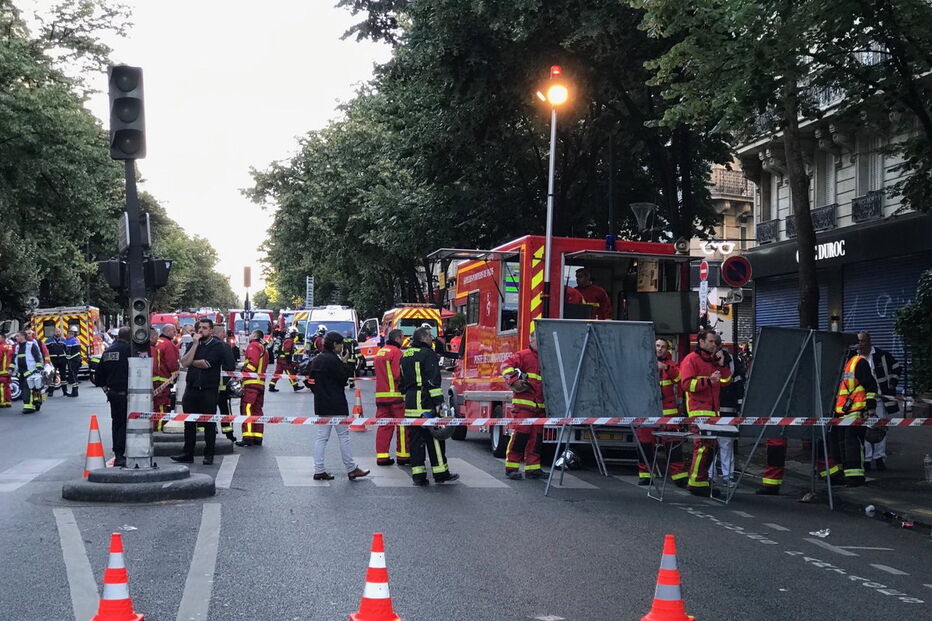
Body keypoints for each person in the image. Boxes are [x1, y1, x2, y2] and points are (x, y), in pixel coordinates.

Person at [308, 331, 369, 481]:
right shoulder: (334, 360)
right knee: (344, 437)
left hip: (322, 404)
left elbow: (310, 382)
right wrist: (345, 363)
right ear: (335, 344)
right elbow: (343, 379)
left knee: (321, 438)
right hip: (336, 404)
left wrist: (320, 393)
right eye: (341, 344)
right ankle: (351, 468)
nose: (342, 347)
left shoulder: (317, 360)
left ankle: (319, 469)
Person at [402, 326, 459, 486]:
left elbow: (402, 382)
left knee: (415, 441)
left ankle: (418, 476)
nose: (431, 340)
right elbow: (433, 381)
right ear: (423, 338)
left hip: (411, 403)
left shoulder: (405, 354)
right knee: (434, 438)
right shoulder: (428, 354)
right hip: (425, 403)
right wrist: (439, 402)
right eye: (429, 337)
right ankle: (441, 473)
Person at [680, 329, 731, 495]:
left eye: (715, 342)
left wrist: (722, 365)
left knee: (711, 447)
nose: (713, 344)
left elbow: (725, 381)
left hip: (713, 412)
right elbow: (687, 385)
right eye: (710, 341)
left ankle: (701, 480)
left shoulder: (714, 362)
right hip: (698, 411)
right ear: (701, 342)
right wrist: (709, 381)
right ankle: (696, 482)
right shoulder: (691, 359)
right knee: (702, 447)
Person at [171, 318, 226, 465]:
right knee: (189, 423)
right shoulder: (192, 344)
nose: (201, 330)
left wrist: (192, 362)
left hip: (208, 389)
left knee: (209, 423)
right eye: (199, 328)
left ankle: (209, 454)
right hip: (192, 388)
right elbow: (184, 362)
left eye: (205, 328)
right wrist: (195, 344)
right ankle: (188, 453)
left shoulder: (217, 345)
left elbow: (206, 364)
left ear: (211, 330)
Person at [636, 339, 687, 486]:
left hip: (668, 412)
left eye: (663, 347)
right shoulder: (644, 363)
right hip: (647, 410)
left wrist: (664, 367)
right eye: (658, 346)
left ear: (667, 350)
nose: (660, 349)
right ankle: (645, 474)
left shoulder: (671, 365)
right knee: (645, 443)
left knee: (673, 443)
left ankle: (678, 476)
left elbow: (679, 378)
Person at [500, 330, 545, 480]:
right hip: (524, 406)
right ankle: (511, 468)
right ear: (531, 340)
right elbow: (505, 366)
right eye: (536, 340)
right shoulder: (523, 355)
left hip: (540, 407)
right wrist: (514, 381)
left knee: (536, 439)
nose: (539, 343)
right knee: (520, 437)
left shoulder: (546, 357)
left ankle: (533, 468)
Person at [855, 332, 901, 471]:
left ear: (869, 341)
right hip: (862, 399)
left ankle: (879, 457)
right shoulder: (855, 358)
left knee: (880, 428)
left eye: (863, 341)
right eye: (859, 342)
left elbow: (897, 368)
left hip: (880, 399)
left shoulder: (881, 355)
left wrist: (891, 384)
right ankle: (867, 459)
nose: (860, 344)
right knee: (866, 430)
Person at [93, 327, 132, 467]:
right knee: (131, 424)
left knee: (117, 425)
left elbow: (98, 377)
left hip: (114, 394)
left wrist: (107, 391)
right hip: (129, 394)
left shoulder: (108, 351)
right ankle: (131, 452)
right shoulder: (129, 351)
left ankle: (119, 455)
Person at [710, 335, 744, 486]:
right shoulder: (703, 360)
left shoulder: (732, 361)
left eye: (714, 344)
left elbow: (736, 383)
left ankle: (727, 475)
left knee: (726, 443)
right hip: (709, 409)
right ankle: (709, 474)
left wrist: (739, 406)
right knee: (709, 443)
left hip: (727, 408)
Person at [374, 329, 409, 466]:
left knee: (384, 426)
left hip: (381, 397)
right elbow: (397, 375)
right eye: (402, 337)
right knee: (402, 426)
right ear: (398, 338)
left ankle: (382, 457)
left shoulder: (381, 351)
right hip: (395, 396)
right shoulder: (397, 352)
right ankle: (403, 456)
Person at [238, 330, 269, 447]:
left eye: (251, 334)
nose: (249, 336)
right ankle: (257, 437)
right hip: (260, 383)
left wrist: (243, 372)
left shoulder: (253, 346)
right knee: (257, 410)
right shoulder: (263, 348)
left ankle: (248, 437)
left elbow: (252, 364)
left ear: (255, 335)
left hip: (251, 383)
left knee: (247, 409)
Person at [151, 324, 179, 432]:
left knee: (154, 407)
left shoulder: (155, 344)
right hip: (163, 381)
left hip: (153, 380)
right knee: (161, 408)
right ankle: (158, 431)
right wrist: (175, 376)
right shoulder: (168, 345)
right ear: (167, 332)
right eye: (173, 331)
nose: (175, 334)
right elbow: (171, 363)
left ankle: (154, 429)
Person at [213, 325, 238, 443]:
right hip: (222, 387)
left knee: (208, 412)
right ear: (219, 333)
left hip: (207, 386)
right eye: (223, 332)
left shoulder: (206, 345)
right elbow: (231, 366)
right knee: (224, 411)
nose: (225, 334)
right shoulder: (224, 346)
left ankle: (210, 431)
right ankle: (229, 434)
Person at [15, 331, 44, 413]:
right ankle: (36, 401)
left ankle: (29, 406)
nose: (16, 338)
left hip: (31, 370)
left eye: (17, 336)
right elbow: (15, 359)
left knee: (27, 388)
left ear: (23, 337)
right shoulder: (17, 347)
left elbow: (37, 357)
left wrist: (38, 367)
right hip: (21, 372)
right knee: (25, 388)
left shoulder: (31, 345)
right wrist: (12, 369)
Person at [45, 328, 69, 397]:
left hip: (62, 359)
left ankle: (65, 391)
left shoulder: (63, 340)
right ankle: (50, 392)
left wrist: (67, 360)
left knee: (63, 376)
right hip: (53, 360)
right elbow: (45, 351)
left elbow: (67, 350)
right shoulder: (48, 341)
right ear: (54, 332)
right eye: (56, 332)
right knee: (52, 376)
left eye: (59, 332)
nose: (57, 333)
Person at [63, 325, 82, 397]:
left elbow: (68, 352)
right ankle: (75, 391)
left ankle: (75, 392)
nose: (66, 336)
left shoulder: (70, 341)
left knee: (73, 376)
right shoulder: (76, 340)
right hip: (77, 360)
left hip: (72, 361)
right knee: (75, 376)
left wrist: (67, 359)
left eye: (67, 334)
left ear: (70, 334)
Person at [0, 330, 12, 408]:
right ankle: (8, 402)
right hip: (8, 371)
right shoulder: (9, 346)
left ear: (3, 338)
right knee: (7, 386)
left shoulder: (1, 347)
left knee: (1, 387)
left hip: (1, 371)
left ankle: (2, 402)